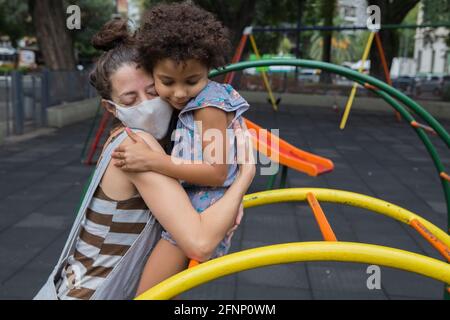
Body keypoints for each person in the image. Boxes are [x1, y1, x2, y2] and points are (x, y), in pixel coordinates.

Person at [34, 18, 254, 300]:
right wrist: (244, 177)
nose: (147, 106)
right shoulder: (138, 146)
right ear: (111, 108)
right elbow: (199, 243)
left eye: (151, 91)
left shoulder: (168, 144)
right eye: (129, 101)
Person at [110, 2, 251, 296]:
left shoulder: (208, 107)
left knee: (148, 294)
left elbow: (216, 172)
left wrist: (152, 160)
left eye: (191, 81)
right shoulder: (195, 100)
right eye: (166, 82)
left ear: (209, 69)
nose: (178, 92)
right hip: (194, 204)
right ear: (152, 71)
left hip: (201, 212)